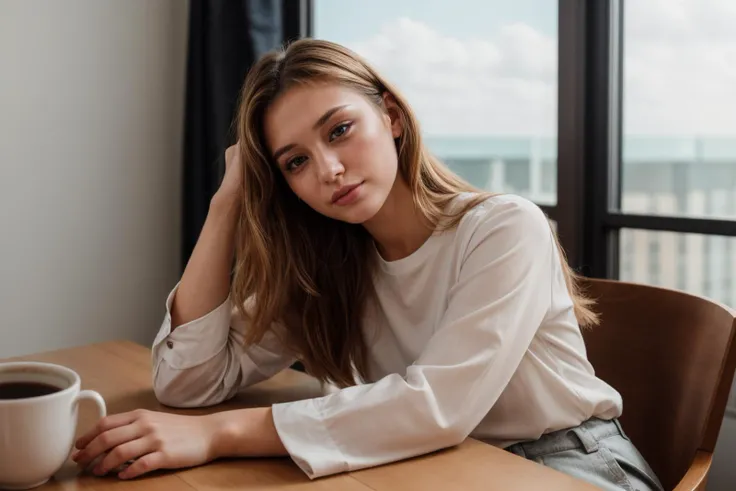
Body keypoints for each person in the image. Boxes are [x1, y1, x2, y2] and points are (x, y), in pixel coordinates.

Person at [71, 38, 663, 490]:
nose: (328, 169)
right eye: (295, 162)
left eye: (341, 130)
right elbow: (187, 383)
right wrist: (226, 204)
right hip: (433, 465)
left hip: (567, 463)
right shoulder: (325, 265)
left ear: (393, 118)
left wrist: (218, 434)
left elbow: (437, 406)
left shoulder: (503, 227)